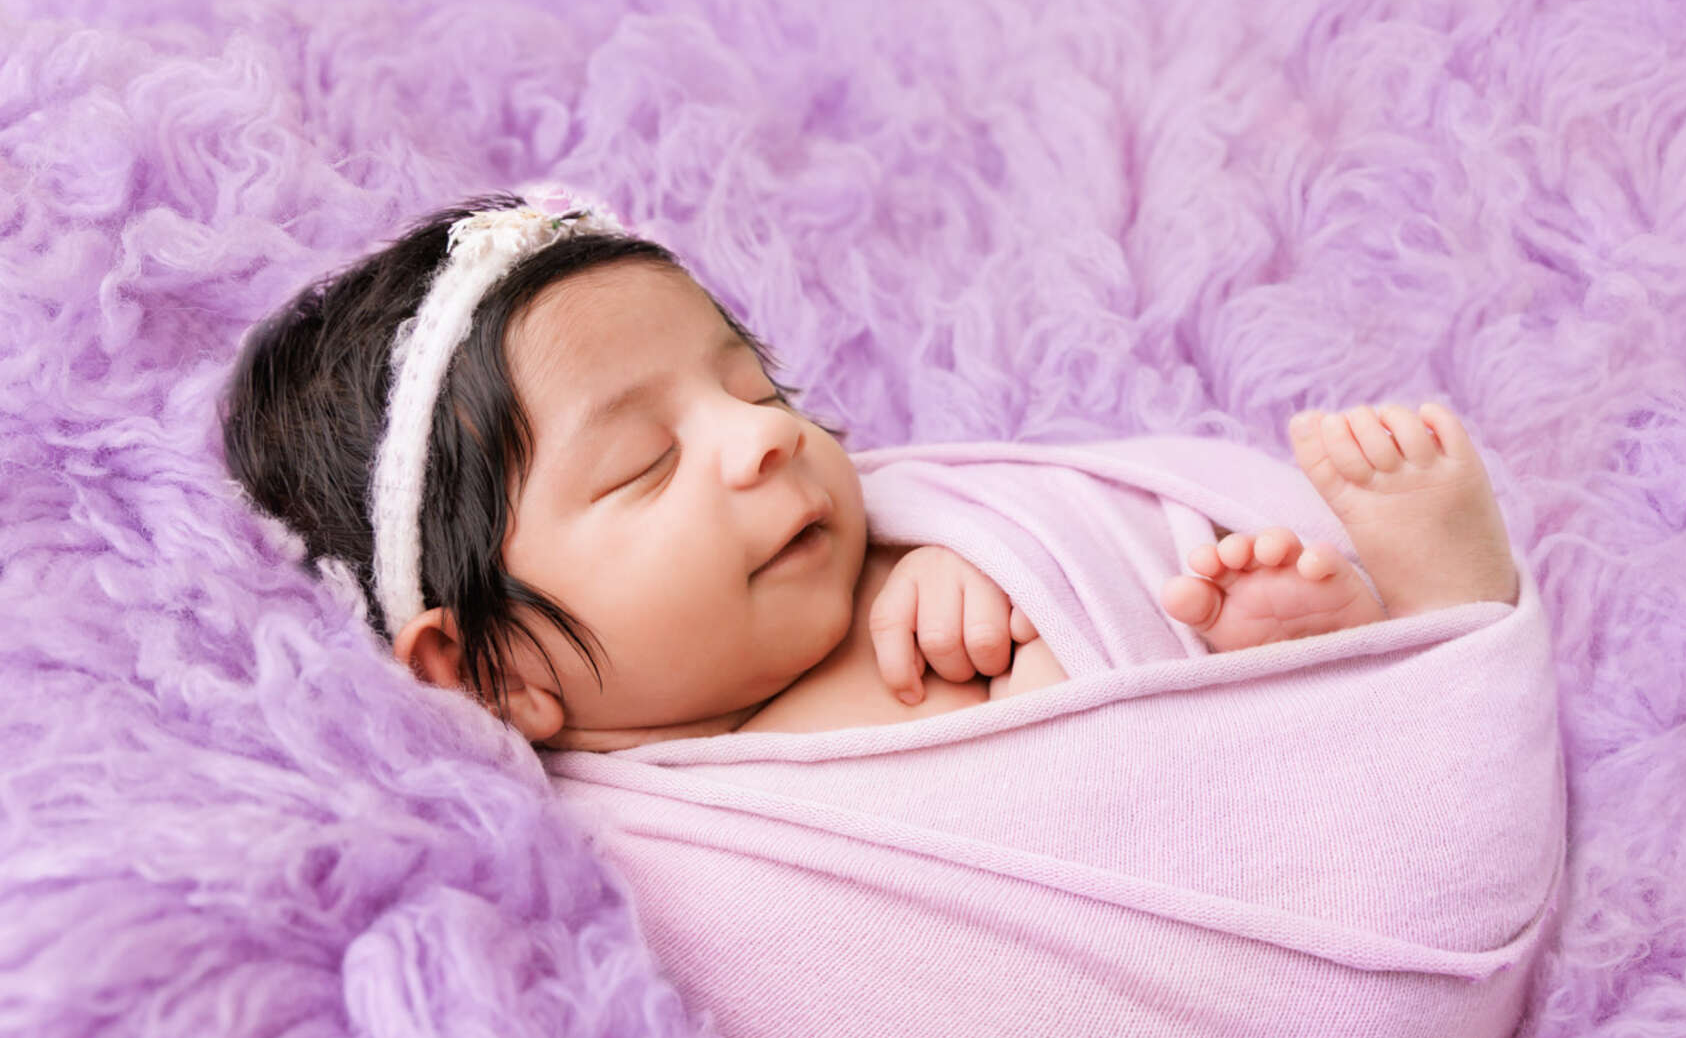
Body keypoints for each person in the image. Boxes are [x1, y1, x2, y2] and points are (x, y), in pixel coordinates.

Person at [222, 187, 1519, 752]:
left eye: (757, 387)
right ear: (494, 675)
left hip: (1243, 761)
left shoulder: (886, 566)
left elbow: (1043, 524)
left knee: (1200, 603)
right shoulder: (666, 842)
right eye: (645, 464)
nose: (767, 438)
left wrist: (969, 566)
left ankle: (1415, 628)